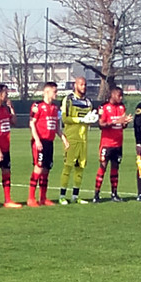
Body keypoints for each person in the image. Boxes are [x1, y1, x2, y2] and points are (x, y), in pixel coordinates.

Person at [28, 82, 69, 207]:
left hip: (49, 142)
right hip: (40, 142)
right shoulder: (38, 106)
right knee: (38, 168)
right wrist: (37, 140)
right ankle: (31, 198)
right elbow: (32, 123)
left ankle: (43, 198)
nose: (56, 94)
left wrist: (64, 139)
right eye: (54, 91)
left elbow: (56, 127)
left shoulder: (55, 108)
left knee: (46, 170)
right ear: (47, 92)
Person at [93, 86, 132, 203]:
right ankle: (96, 194)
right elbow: (101, 124)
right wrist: (115, 121)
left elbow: (122, 125)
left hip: (118, 144)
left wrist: (125, 122)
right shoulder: (104, 107)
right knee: (103, 167)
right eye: (119, 96)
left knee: (115, 168)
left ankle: (114, 193)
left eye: (122, 96)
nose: (121, 98)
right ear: (113, 95)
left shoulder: (121, 107)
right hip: (106, 144)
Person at [59, 77, 94, 205]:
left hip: (83, 139)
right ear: (75, 85)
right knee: (68, 166)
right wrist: (80, 120)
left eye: (85, 84)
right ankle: (62, 196)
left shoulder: (88, 102)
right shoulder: (69, 99)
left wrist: (91, 119)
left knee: (80, 167)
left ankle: (75, 196)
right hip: (72, 138)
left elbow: (88, 119)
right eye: (81, 84)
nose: (83, 87)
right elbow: (65, 118)